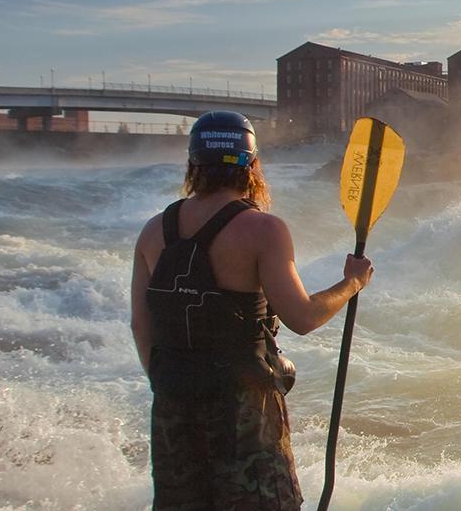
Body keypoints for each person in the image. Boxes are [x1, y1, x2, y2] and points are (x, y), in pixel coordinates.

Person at [130, 110, 373, 510]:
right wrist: (353, 282)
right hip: (244, 409)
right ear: (252, 164)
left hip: (172, 405)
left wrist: (169, 384)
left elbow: (141, 324)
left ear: (194, 163)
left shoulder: (153, 230)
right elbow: (303, 317)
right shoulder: (263, 229)